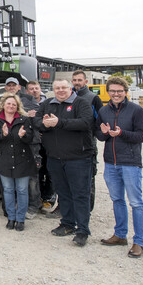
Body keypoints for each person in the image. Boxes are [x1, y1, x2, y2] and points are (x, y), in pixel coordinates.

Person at [36, 79, 95, 246]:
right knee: (63, 193)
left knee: (80, 194)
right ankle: (67, 224)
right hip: (55, 158)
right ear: (53, 90)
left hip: (78, 159)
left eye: (63, 87)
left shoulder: (81, 103)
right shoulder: (47, 104)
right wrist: (44, 124)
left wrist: (59, 123)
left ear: (70, 89)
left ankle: (82, 230)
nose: (60, 90)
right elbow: (36, 122)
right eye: (57, 88)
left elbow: (86, 123)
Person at [95, 76, 143, 258]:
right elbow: (100, 135)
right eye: (112, 91)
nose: (116, 94)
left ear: (125, 92)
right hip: (111, 163)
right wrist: (103, 134)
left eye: (119, 91)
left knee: (136, 202)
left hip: (130, 163)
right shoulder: (103, 111)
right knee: (117, 199)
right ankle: (120, 234)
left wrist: (121, 133)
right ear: (108, 92)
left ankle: (138, 241)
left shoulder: (137, 110)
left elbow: (142, 136)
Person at [0, 93, 38, 231]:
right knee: (8, 190)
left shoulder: (24, 120)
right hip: (4, 160)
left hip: (22, 160)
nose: (11, 106)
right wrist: (3, 134)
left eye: (14, 104)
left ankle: (20, 219)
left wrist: (24, 135)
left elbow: (30, 138)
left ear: (17, 106)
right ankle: (11, 217)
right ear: (3, 105)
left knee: (22, 190)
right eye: (8, 103)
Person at [11, 77, 42, 218]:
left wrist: (22, 113)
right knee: (17, 175)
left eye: (14, 85)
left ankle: (34, 206)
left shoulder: (29, 99)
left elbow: (36, 114)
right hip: (15, 143)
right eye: (9, 85)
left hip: (31, 143)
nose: (11, 87)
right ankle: (20, 203)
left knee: (32, 176)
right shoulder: (5, 101)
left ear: (19, 87)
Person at [72, 69, 103, 212]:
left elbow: (100, 120)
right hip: (69, 143)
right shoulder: (67, 96)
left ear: (86, 81)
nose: (77, 83)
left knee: (88, 177)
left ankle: (87, 209)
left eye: (79, 80)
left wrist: (91, 135)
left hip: (87, 143)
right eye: (74, 80)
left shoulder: (93, 98)